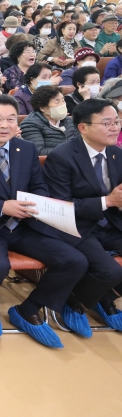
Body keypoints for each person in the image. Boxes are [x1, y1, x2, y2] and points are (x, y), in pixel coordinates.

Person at [0, 94, 88, 347]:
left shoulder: (26, 149)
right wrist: (2, 206)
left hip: (24, 223)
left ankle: (28, 309)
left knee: (75, 261)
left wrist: (41, 204)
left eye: (11, 119)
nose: (5, 125)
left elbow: (38, 186)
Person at [43, 99, 122, 335]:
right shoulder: (62, 156)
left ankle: (103, 295)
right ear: (83, 127)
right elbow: (60, 206)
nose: (115, 128)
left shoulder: (117, 153)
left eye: (117, 122)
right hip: (76, 226)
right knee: (110, 271)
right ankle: (74, 300)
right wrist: (107, 201)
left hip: (112, 222)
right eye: (107, 123)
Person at [19, 85, 76, 155]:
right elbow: (39, 152)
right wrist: (70, 151)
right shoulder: (30, 125)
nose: (63, 105)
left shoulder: (68, 120)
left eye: (63, 100)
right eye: (57, 102)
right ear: (42, 107)